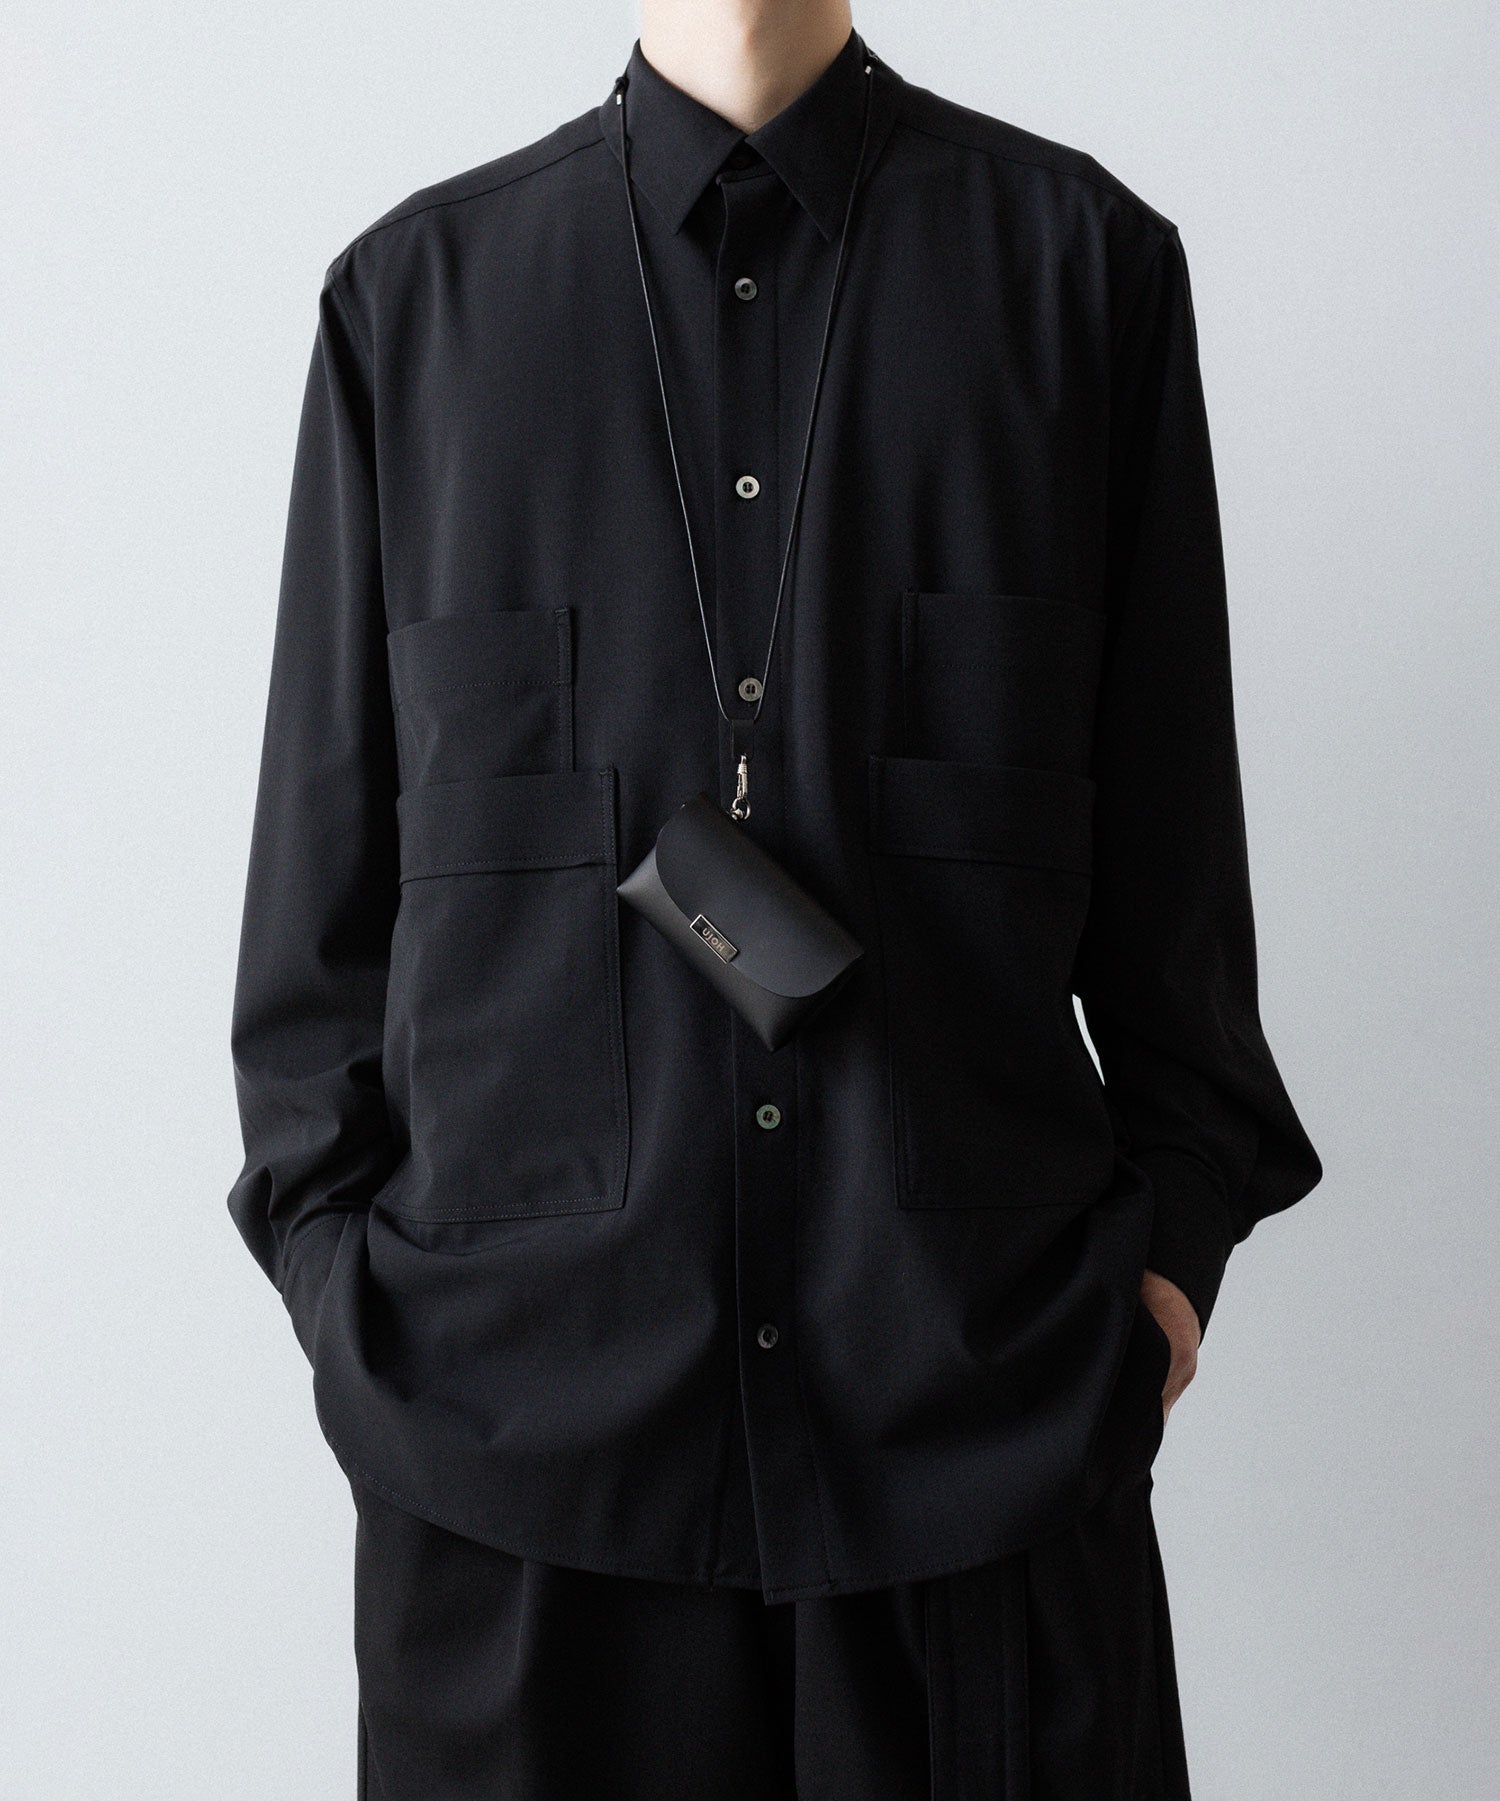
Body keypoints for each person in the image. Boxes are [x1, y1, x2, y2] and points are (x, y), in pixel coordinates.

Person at [226, 2, 1323, 1794]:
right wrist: (355, 1310)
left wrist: (1158, 1282)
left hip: (985, 1479)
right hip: (516, 1509)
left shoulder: (1082, 275)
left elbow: (1180, 906)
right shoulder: (414, 309)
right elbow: (311, 953)